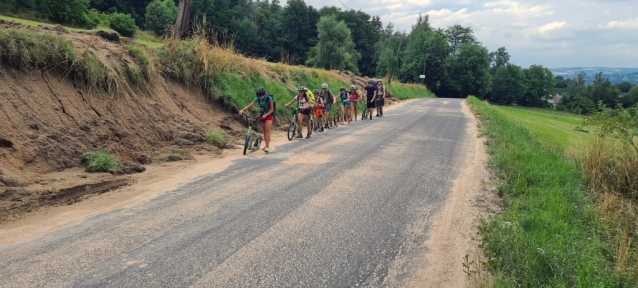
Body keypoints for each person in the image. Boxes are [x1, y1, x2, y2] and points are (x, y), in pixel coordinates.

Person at [239, 87, 274, 153]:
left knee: (267, 130)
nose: (259, 97)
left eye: (260, 96)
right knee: (263, 130)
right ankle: (266, 145)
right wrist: (243, 110)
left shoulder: (269, 98)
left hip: (269, 114)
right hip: (262, 114)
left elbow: (272, 109)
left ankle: (267, 146)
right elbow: (250, 105)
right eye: (258, 96)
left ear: (264, 94)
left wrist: (266, 115)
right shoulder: (257, 98)